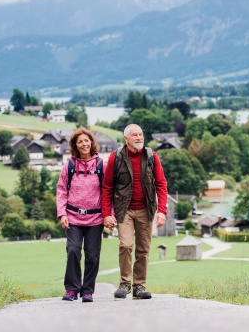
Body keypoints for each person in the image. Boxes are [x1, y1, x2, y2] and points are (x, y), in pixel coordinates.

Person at [101, 124, 168, 300]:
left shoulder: (152, 156)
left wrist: (162, 211)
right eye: (134, 135)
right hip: (125, 210)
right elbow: (107, 187)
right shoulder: (116, 158)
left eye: (141, 134)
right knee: (125, 245)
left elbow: (161, 184)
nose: (139, 138)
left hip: (146, 209)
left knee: (143, 249)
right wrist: (107, 213)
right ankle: (125, 284)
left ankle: (139, 286)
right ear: (126, 139)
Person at [56, 127, 107, 303]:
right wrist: (62, 213)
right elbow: (61, 190)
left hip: (95, 218)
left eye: (86, 141)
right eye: (80, 142)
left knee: (92, 255)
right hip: (73, 217)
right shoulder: (69, 165)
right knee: (73, 251)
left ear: (91, 143)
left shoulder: (101, 165)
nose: (84, 144)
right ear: (75, 146)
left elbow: (108, 192)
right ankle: (71, 289)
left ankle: (87, 291)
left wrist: (109, 215)